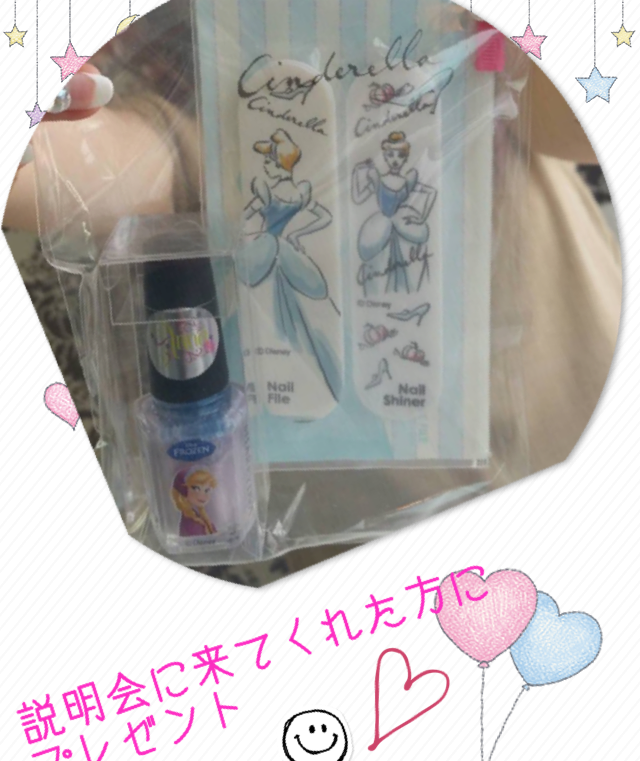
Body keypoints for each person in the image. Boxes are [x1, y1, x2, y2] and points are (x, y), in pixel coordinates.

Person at [3, 1, 622, 584]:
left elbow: (576, 116)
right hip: (346, 477)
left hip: (564, 345)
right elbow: (150, 155)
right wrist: (50, 151)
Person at [237, 128, 341, 400]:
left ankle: (291, 373)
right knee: (292, 313)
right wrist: (296, 235)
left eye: (268, 160)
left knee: (274, 312)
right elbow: (325, 217)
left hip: (268, 253)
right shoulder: (299, 194)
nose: (264, 165)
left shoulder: (266, 193)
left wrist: (249, 235)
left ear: (279, 163)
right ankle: (298, 374)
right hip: (283, 253)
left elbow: (240, 220)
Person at [352, 130, 436, 296]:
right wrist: (356, 172)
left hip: (402, 225)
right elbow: (357, 198)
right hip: (380, 228)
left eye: (400, 156)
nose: (395, 160)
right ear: (385, 157)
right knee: (381, 268)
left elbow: (431, 192)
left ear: (405, 158)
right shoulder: (378, 179)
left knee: (407, 268)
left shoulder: (407, 180)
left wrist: (422, 218)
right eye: (390, 155)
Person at [172, 468, 217, 537]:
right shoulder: (191, 523)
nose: (203, 495)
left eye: (207, 490)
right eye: (196, 488)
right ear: (184, 491)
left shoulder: (199, 516)